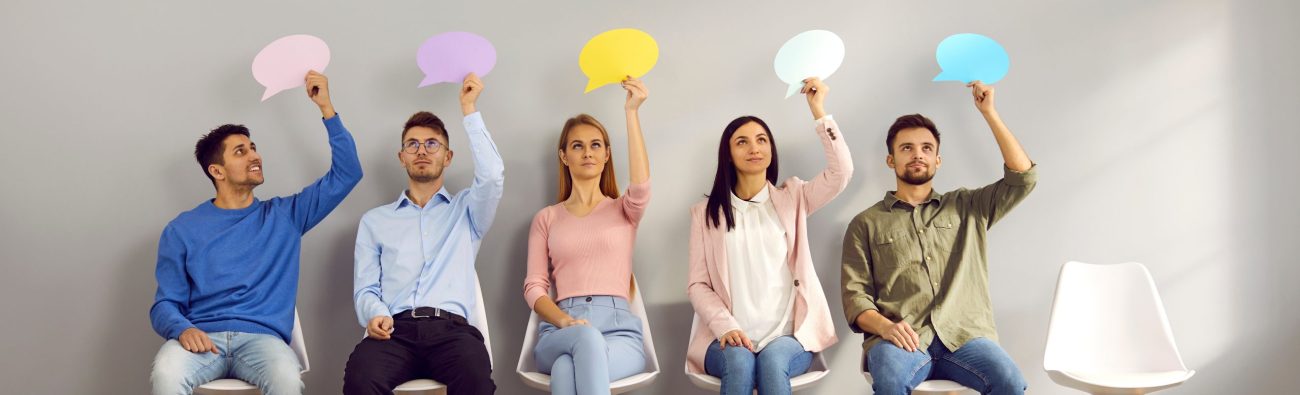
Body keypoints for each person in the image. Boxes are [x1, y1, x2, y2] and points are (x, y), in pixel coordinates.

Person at [149, 71, 362, 395]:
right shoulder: (182, 230)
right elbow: (164, 304)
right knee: (166, 371)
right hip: (202, 339)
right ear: (216, 171)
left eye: (253, 148)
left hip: (263, 342)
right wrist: (182, 329)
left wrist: (326, 108)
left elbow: (347, 174)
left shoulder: (285, 216)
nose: (255, 155)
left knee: (287, 379)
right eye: (240, 152)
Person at [841, 81, 1035, 395]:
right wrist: (886, 327)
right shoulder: (865, 223)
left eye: (926, 148)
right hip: (901, 339)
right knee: (889, 383)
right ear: (891, 160)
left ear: (937, 160)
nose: (917, 155)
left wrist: (989, 113)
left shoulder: (968, 207)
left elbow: (1023, 179)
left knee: (1010, 382)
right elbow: (855, 298)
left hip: (965, 337)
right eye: (906, 148)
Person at [685, 77, 851, 395]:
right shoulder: (705, 214)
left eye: (762, 140)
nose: (754, 148)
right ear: (728, 155)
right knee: (740, 362)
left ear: (771, 151)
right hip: (727, 336)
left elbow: (841, 173)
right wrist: (726, 327)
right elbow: (697, 284)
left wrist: (819, 111)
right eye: (742, 142)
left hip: (789, 337)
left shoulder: (794, 198)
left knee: (772, 363)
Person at [343, 73, 501, 395]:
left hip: (452, 332)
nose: (422, 151)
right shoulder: (375, 221)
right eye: (412, 145)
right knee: (360, 377)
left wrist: (469, 108)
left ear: (448, 156)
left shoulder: (468, 211)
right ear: (402, 158)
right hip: (394, 332)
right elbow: (366, 289)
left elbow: (493, 176)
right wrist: (376, 315)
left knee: (475, 378)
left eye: (432, 144)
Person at [522, 76, 650, 395]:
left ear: (607, 154)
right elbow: (534, 287)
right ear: (564, 156)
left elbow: (642, 185)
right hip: (560, 330)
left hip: (620, 335)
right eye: (577, 146)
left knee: (567, 368)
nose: (587, 153)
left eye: (596, 145)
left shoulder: (625, 209)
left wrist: (631, 113)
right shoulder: (547, 218)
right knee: (582, 342)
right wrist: (564, 321)